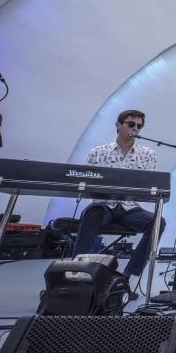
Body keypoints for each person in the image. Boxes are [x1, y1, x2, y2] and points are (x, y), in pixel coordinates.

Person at [72, 109, 166, 297]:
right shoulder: (98, 153)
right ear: (118, 125)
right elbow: (83, 182)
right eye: (131, 124)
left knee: (158, 222)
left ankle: (127, 275)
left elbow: (151, 186)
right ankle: (78, 274)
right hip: (103, 205)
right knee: (92, 213)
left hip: (130, 208)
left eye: (139, 126)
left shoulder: (147, 154)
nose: (135, 128)